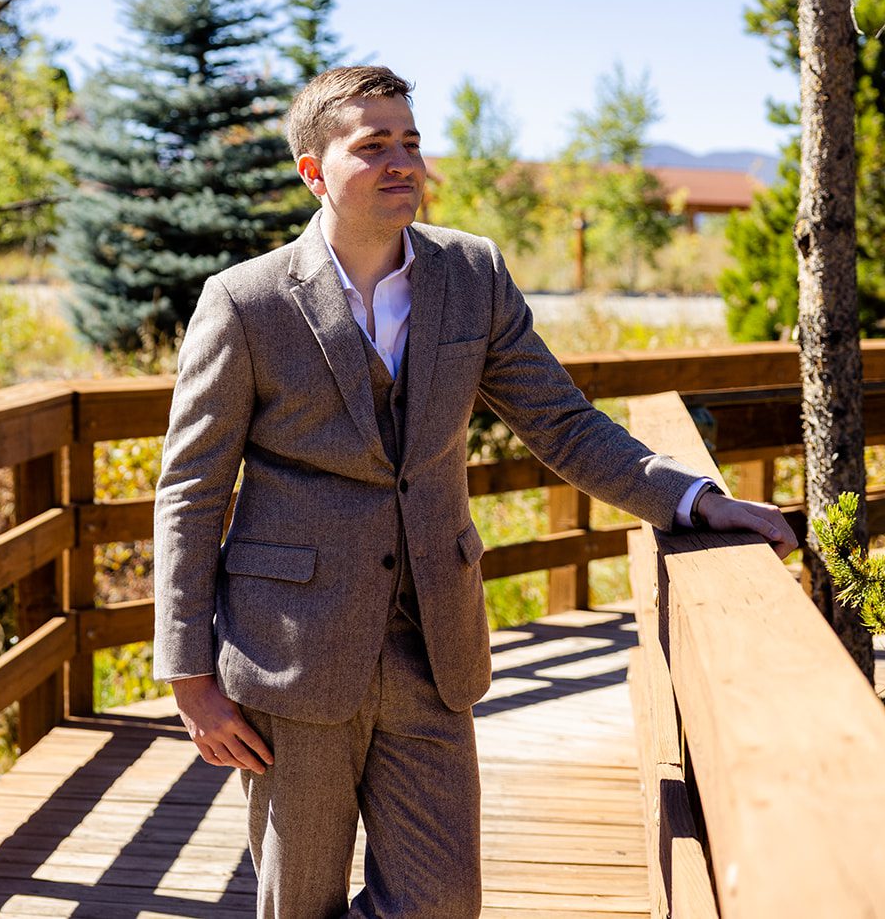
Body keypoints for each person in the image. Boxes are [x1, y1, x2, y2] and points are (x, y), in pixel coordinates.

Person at [150, 65, 798, 919]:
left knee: (442, 902)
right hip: (291, 657)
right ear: (314, 171)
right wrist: (189, 674)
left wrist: (693, 500)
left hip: (434, 643)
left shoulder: (472, 274)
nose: (401, 162)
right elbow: (192, 490)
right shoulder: (245, 301)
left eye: (410, 142)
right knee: (298, 901)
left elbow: (562, 422)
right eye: (372, 145)